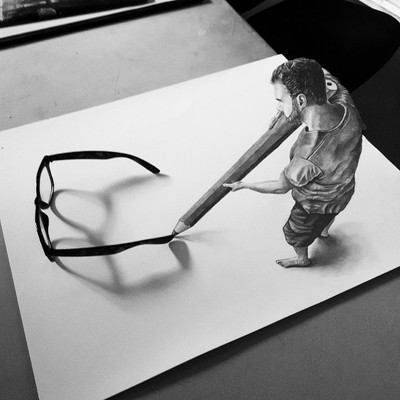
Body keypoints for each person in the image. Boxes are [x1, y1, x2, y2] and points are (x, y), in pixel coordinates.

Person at [223, 58, 365, 268]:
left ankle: (302, 258)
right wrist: (282, 111)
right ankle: (324, 232)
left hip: (313, 204)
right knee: (328, 217)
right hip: (343, 191)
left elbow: (280, 187)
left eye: (280, 100)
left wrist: (244, 185)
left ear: (300, 101)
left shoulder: (307, 155)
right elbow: (321, 73)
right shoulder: (346, 105)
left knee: (295, 231)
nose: (279, 106)